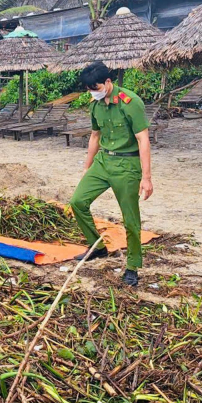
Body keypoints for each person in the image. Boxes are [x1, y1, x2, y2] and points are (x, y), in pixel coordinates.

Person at [68, 61, 153, 287]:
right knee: (77, 201)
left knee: (130, 219)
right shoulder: (95, 105)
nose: (92, 93)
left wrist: (146, 177)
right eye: (89, 89)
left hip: (127, 164)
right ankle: (97, 246)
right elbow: (95, 136)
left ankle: (133, 266)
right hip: (103, 161)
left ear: (108, 82)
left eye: (95, 88)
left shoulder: (130, 102)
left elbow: (143, 139)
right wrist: (87, 167)